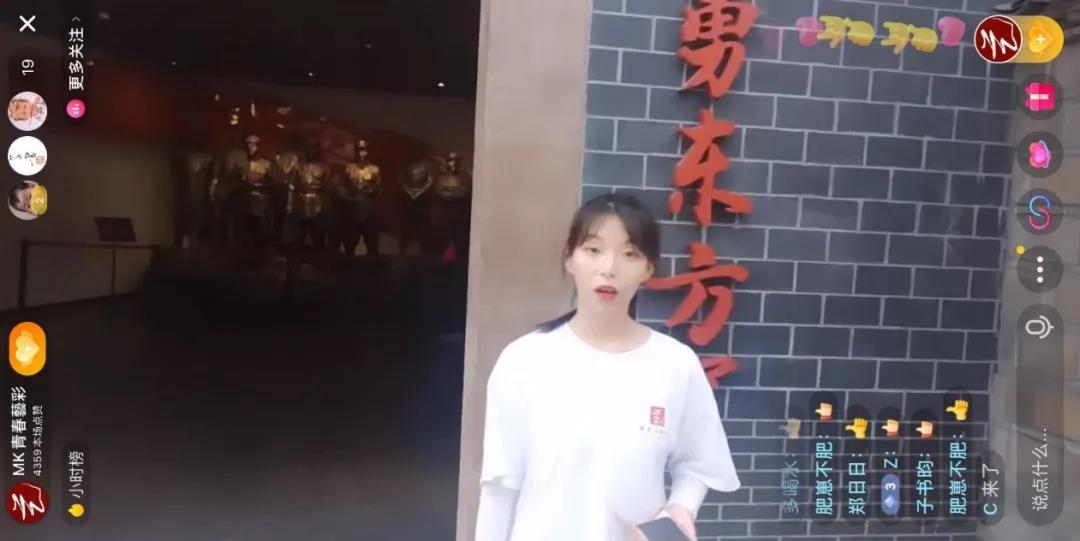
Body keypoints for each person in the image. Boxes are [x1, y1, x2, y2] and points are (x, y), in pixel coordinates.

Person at [475, 193, 740, 541]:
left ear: (648, 269)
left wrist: (681, 507)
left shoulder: (675, 364)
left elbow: (700, 463)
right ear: (570, 258)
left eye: (630, 254)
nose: (609, 268)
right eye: (593, 249)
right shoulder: (524, 361)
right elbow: (499, 488)